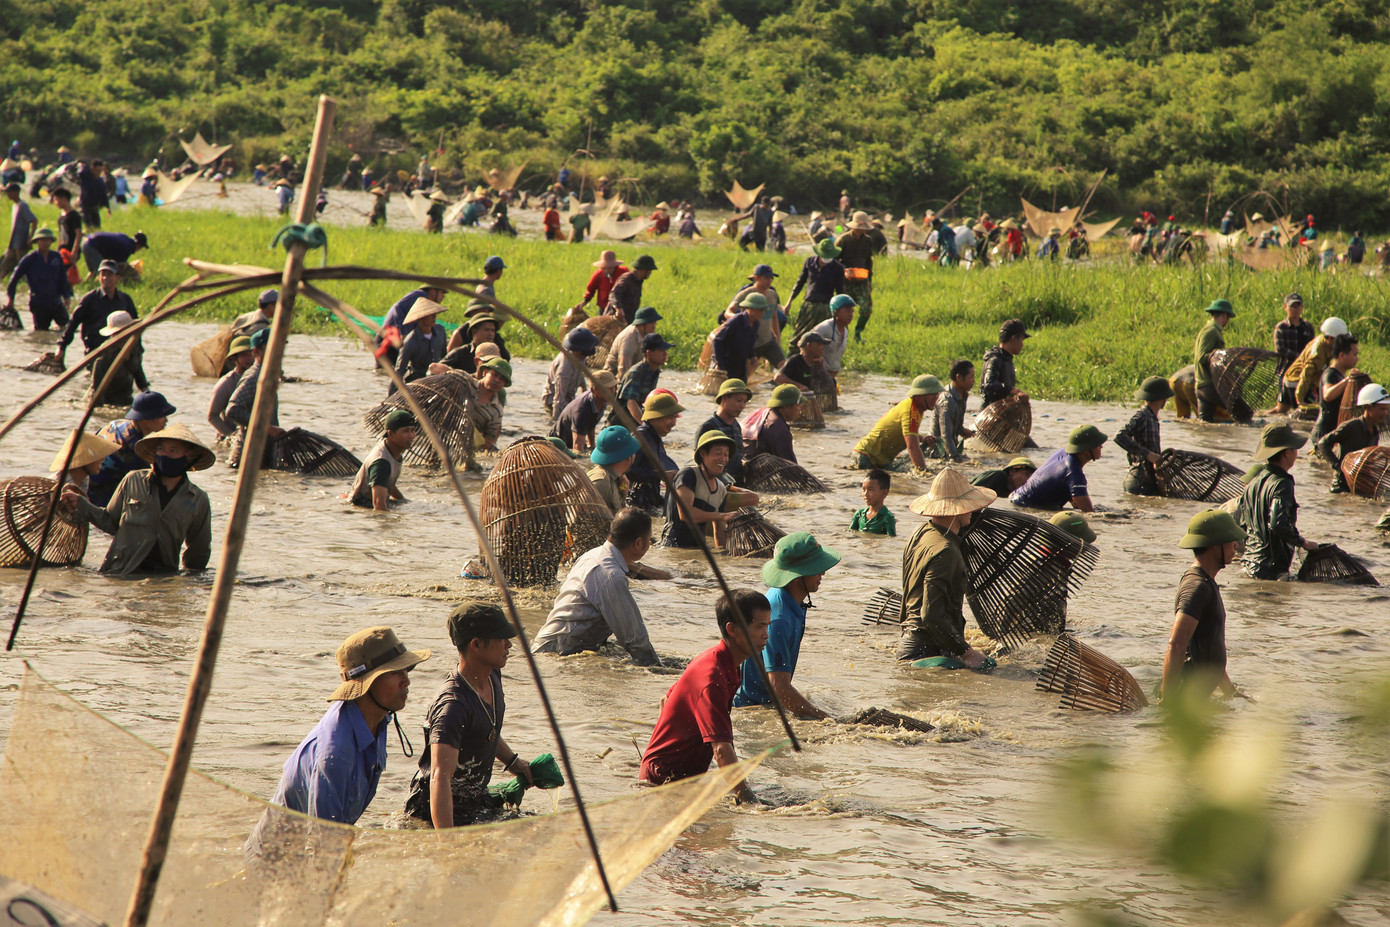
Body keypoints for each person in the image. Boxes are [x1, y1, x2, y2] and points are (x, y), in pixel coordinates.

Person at [266, 627, 430, 824]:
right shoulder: (335, 755)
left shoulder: (378, 718)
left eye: (406, 669)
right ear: (367, 682)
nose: (407, 680)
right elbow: (322, 840)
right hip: (285, 852)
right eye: (395, 672)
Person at [405, 603, 536, 829]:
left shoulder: (493, 674)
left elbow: (485, 730)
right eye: (501, 638)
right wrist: (447, 844)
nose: (509, 644)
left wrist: (514, 763)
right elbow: (440, 777)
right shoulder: (453, 706)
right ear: (476, 644)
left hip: (475, 800)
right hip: (439, 809)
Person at [639, 588, 771, 804]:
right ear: (733, 629)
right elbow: (720, 748)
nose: (766, 634)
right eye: (760, 626)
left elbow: (667, 699)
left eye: (768, 626)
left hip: (684, 778)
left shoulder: (723, 663)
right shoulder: (712, 676)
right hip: (663, 782)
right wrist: (748, 799)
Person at [62, 422, 214, 575]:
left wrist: (190, 583)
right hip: (120, 571)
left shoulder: (197, 499)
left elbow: (198, 551)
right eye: (161, 449)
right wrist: (83, 506)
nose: (165, 455)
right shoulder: (133, 481)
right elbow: (111, 522)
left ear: (189, 456)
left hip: (162, 577)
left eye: (173, 451)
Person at [533, 507, 660, 665]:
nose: (649, 544)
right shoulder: (611, 576)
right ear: (639, 543)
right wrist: (658, 670)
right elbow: (634, 640)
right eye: (649, 540)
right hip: (559, 654)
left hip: (550, 648)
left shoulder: (592, 555)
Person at [734, 532, 841, 718]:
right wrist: (827, 718)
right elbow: (780, 688)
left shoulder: (789, 598)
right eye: (817, 568)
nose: (823, 572)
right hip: (751, 709)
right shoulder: (778, 619)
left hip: (766, 702)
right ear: (797, 577)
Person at [897, 468, 997, 666]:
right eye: (969, 506)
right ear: (957, 510)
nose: (972, 510)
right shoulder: (946, 551)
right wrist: (966, 652)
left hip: (909, 642)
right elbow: (931, 616)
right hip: (927, 652)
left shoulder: (920, 532)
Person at [1161, 511, 1245, 702]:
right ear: (1215, 545)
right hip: (1185, 696)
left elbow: (1209, 648)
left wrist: (1229, 691)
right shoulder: (1197, 587)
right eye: (1231, 539)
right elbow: (1176, 645)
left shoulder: (1206, 582)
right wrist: (1169, 702)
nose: (1236, 545)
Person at [1236, 423, 1319, 580]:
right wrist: (1303, 543)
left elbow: (1241, 524)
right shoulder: (1282, 483)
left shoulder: (1253, 482)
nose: (1296, 453)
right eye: (1295, 449)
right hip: (1269, 570)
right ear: (1287, 452)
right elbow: (1277, 524)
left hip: (1248, 564)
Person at [664, 431, 758, 548]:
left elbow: (719, 531)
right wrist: (722, 516)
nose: (723, 459)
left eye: (726, 454)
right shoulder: (688, 475)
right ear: (703, 453)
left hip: (699, 549)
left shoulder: (721, 489)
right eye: (718, 453)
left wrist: (723, 555)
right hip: (673, 546)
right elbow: (685, 514)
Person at [86, 390, 175, 506]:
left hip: (87, 483)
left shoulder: (117, 424)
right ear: (146, 419)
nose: (166, 420)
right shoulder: (134, 446)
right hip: (99, 495)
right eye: (162, 415)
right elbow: (147, 484)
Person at [852, 375, 943, 471]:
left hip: (877, 459)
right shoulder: (910, 411)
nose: (936, 397)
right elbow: (912, 446)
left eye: (937, 393)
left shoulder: (915, 408)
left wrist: (922, 439)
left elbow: (907, 433)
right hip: (866, 456)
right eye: (932, 394)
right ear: (919, 395)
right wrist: (923, 471)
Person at [1010, 425, 1106, 512]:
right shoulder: (1073, 473)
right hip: (1024, 506)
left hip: (1017, 497)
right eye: (1097, 444)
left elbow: (1076, 501)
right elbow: (1088, 511)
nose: (1101, 446)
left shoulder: (1064, 453)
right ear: (1086, 449)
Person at [56, 260, 137, 362]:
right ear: (98, 277)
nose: (105, 278)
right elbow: (73, 324)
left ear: (117, 277)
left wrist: (137, 351)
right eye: (103, 274)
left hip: (120, 351)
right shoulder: (89, 299)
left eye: (110, 275)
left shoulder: (125, 300)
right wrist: (62, 347)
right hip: (95, 351)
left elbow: (135, 326)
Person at [226, 329, 288, 458]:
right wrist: (268, 428)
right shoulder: (255, 377)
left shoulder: (268, 374)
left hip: (262, 449)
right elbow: (233, 409)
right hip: (248, 453)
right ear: (256, 351)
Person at [1317, 383, 1387, 493]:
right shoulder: (1351, 426)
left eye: (1386, 409)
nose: (1385, 413)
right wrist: (1338, 466)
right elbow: (1323, 443)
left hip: (1358, 484)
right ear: (1369, 407)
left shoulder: (1375, 433)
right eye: (1382, 409)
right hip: (1341, 486)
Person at [1115, 376, 1175, 495]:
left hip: (1146, 478)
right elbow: (1120, 436)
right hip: (1139, 479)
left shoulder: (1152, 418)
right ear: (1162, 399)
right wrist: (1148, 454)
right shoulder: (1143, 416)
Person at [4, 226, 71, 330]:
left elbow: (63, 278)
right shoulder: (29, 259)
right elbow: (14, 279)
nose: (45, 243)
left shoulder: (56, 257)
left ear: (51, 241)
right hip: (39, 303)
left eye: (47, 240)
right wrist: (11, 299)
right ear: (37, 242)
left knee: (67, 328)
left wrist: (66, 296)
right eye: (42, 240)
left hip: (56, 302)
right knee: (41, 332)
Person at [350, 410, 416, 511]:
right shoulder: (381, 462)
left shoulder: (393, 452)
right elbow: (378, 504)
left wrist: (403, 500)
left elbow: (387, 482)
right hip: (362, 506)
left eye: (412, 430)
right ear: (390, 434)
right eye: (406, 431)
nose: (411, 435)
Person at [786, 239, 846, 348]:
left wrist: (841, 312)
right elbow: (800, 283)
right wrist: (789, 302)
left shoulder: (838, 268)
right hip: (808, 306)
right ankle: (793, 360)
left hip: (825, 307)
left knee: (821, 340)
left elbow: (840, 291)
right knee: (798, 337)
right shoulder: (809, 262)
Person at [1281, 317, 1349, 412]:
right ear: (1330, 338)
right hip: (1297, 383)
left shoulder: (1325, 342)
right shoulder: (1317, 354)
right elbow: (1306, 375)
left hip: (1294, 380)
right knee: (1309, 414)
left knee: (1281, 410)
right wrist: (1300, 399)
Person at [627, 391, 682, 510]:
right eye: (670, 417)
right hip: (635, 503)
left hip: (649, 498)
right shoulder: (640, 437)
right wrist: (661, 474)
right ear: (655, 417)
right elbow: (628, 470)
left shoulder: (655, 438)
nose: (674, 423)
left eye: (675, 418)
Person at [722, 264, 784, 369]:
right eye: (766, 278)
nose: (770, 281)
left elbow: (774, 317)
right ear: (756, 278)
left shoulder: (773, 295)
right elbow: (728, 312)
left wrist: (778, 337)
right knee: (748, 372)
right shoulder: (746, 294)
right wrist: (740, 320)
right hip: (751, 343)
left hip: (768, 341)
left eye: (771, 278)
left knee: (784, 367)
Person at [696, 378, 752, 485]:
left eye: (745, 402)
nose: (742, 406)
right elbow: (699, 461)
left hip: (737, 482)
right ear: (725, 398)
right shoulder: (708, 427)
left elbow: (738, 456)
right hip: (718, 485)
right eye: (739, 401)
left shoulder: (736, 426)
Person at [87, 311, 148, 407]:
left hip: (126, 400)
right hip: (109, 403)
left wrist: (147, 394)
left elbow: (138, 372)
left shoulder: (134, 348)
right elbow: (97, 392)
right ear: (114, 334)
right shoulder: (104, 357)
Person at [552, 370, 618, 454]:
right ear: (595, 391)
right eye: (609, 389)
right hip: (558, 447)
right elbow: (577, 448)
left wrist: (592, 447)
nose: (614, 392)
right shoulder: (582, 410)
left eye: (614, 387)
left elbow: (591, 424)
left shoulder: (601, 401)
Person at [835, 212, 878, 341]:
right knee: (843, 308)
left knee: (866, 308)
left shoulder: (868, 240)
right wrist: (843, 271)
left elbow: (869, 261)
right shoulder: (843, 240)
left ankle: (858, 332)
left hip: (862, 279)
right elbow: (835, 260)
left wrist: (869, 279)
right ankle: (843, 333)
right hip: (846, 280)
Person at [1310, 334, 1358, 446]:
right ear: (1341, 355)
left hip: (1332, 433)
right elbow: (1327, 395)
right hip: (1323, 434)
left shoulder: (1340, 376)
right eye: (1354, 354)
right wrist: (1347, 380)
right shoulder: (1330, 374)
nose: (1357, 358)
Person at [543, 326, 600, 421]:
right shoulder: (564, 370)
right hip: (553, 401)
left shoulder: (581, 357)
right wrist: (556, 424)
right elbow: (558, 400)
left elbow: (581, 377)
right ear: (579, 350)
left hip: (569, 397)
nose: (593, 348)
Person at [1193, 298, 1237, 422]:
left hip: (1202, 386)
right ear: (1224, 316)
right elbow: (1202, 357)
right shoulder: (1211, 331)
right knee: (1242, 412)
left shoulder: (1209, 330)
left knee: (1206, 425)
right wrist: (1223, 357)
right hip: (1210, 386)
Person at [391, 297, 448, 391]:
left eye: (435, 314)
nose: (434, 317)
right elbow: (400, 369)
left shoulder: (440, 331)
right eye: (431, 315)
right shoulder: (411, 341)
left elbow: (444, 357)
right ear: (421, 318)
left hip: (437, 381)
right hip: (417, 383)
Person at [616, 333, 672, 422]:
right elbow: (631, 403)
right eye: (661, 350)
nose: (665, 354)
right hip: (621, 425)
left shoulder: (655, 371)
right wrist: (644, 426)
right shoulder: (636, 372)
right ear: (649, 353)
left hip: (636, 423)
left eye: (665, 350)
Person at [711, 291, 767, 381]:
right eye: (760, 310)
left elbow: (749, 344)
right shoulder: (735, 321)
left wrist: (752, 356)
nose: (762, 313)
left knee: (741, 390)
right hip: (725, 364)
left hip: (739, 365)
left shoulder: (755, 324)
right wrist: (719, 364)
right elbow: (717, 341)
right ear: (751, 309)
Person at [207, 335, 254, 439]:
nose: (250, 359)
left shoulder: (258, 379)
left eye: (252, 354)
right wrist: (232, 436)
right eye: (245, 355)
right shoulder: (226, 383)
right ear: (234, 358)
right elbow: (212, 416)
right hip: (233, 436)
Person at [742, 384, 802, 463]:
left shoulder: (762, 413)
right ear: (787, 407)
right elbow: (791, 465)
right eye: (798, 406)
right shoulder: (779, 429)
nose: (800, 411)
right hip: (756, 469)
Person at [1271, 293, 1315, 401]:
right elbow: (1280, 350)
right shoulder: (1281, 327)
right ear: (1285, 307)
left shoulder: (1308, 327)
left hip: (1305, 370)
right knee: (1285, 402)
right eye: (1292, 306)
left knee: (1307, 400)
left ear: (1302, 308)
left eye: (1298, 306)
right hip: (1287, 369)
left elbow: (1312, 347)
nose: (1295, 309)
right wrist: (1300, 359)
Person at [587, 425, 641, 512]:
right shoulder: (601, 483)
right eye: (633, 452)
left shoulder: (615, 478)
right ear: (628, 457)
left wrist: (623, 493)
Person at [930, 359, 975, 461]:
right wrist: (955, 458)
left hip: (949, 449)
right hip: (937, 453)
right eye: (971, 377)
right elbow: (945, 435)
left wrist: (961, 430)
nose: (973, 381)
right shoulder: (947, 401)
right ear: (958, 377)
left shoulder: (963, 395)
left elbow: (952, 422)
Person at [980, 319, 1030, 408]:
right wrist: (1014, 390)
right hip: (991, 412)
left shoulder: (1007, 359)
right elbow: (989, 384)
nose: (1022, 344)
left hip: (1002, 410)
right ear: (1014, 338)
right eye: (1022, 340)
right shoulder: (995, 359)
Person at [438, 313, 506, 375]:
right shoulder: (460, 353)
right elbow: (435, 368)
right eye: (486, 330)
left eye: (493, 330)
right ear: (474, 331)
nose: (490, 334)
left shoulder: (496, 354)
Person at [606, 305, 661, 380]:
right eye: (651, 322)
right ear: (641, 324)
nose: (654, 326)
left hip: (635, 373)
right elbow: (623, 371)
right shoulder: (628, 339)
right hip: (613, 377)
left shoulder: (646, 335)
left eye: (655, 322)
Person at [810, 296, 854, 380]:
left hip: (831, 378)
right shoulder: (824, 328)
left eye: (852, 312)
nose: (851, 315)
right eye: (847, 311)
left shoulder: (845, 331)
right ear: (835, 312)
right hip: (818, 377)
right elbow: (804, 343)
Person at [605, 254, 657, 324]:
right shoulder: (626, 279)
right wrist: (619, 309)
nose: (650, 273)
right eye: (649, 270)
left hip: (627, 320)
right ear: (643, 270)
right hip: (614, 320)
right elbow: (614, 294)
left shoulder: (638, 281)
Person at [774, 332, 831, 396]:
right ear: (808, 345)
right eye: (819, 344)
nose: (822, 348)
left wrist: (821, 368)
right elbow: (778, 378)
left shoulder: (817, 363)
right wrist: (798, 386)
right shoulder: (795, 360)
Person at [1, 181, 36, 281]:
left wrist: (30, 238)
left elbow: (34, 220)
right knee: (5, 264)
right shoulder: (14, 206)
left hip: (22, 241)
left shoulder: (23, 206)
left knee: (23, 265)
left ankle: (29, 283)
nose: (7, 194)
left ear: (16, 192)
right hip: (14, 242)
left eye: (9, 192)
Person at [79, 230, 147, 278]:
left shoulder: (125, 239)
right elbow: (118, 266)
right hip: (92, 246)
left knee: (93, 271)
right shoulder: (127, 248)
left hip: (85, 241)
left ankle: (86, 285)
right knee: (102, 272)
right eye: (141, 248)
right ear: (138, 245)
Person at [850, 468, 896, 536]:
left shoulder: (887, 518)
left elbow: (891, 540)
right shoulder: (859, 515)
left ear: (884, 493)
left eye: (870, 490)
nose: (865, 493)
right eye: (863, 489)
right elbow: (851, 533)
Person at [77, 160, 110, 229]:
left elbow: (104, 194)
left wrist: (107, 207)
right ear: (92, 169)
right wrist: (84, 164)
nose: (99, 173)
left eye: (101, 171)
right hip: (86, 205)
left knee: (97, 227)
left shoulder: (100, 181)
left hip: (95, 206)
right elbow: (81, 172)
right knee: (88, 226)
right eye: (98, 171)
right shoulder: (86, 177)